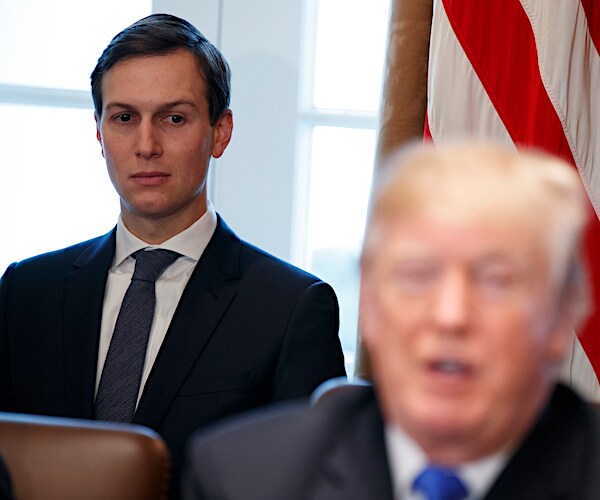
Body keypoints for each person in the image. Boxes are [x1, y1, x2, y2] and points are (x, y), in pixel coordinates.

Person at [0, 13, 345, 495]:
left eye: (174, 118)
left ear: (220, 131)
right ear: (99, 133)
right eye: (124, 118)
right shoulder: (25, 291)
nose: (146, 146)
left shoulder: (291, 308)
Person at [183, 142, 600, 499]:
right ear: (371, 304)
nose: (450, 315)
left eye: (496, 281)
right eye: (417, 276)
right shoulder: (242, 477)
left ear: (564, 316)